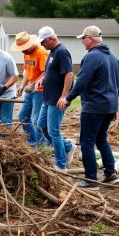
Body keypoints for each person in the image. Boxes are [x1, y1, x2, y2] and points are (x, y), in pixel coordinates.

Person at [58, 25, 119, 190]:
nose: (82, 42)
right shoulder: (113, 58)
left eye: (83, 39)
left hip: (94, 107)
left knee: (87, 142)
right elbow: (117, 85)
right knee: (101, 139)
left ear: (90, 39)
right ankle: (111, 173)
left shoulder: (92, 57)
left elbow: (81, 82)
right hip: (108, 107)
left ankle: (91, 179)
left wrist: (67, 98)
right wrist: (115, 107)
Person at [35, 26, 77, 172]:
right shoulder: (52, 52)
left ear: (51, 38)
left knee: (53, 131)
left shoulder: (62, 52)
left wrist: (64, 96)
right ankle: (68, 147)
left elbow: (69, 75)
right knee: (41, 126)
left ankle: (60, 164)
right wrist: (43, 79)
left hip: (57, 99)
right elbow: (50, 71)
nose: (41, 45)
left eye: (43, 42)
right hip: (48, 98)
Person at [11, 31, 48, 146]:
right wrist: (22, 85)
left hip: (41, 90)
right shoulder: (26, 54)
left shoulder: (41, 52)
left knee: (36, 120)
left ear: (31, 44)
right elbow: (27, 70)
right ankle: (33, 141)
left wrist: (34, 84)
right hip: (31, 89)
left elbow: (47, 72)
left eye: (25, 48)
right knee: (23, 116)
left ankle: (42, 144)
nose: (23, 51)